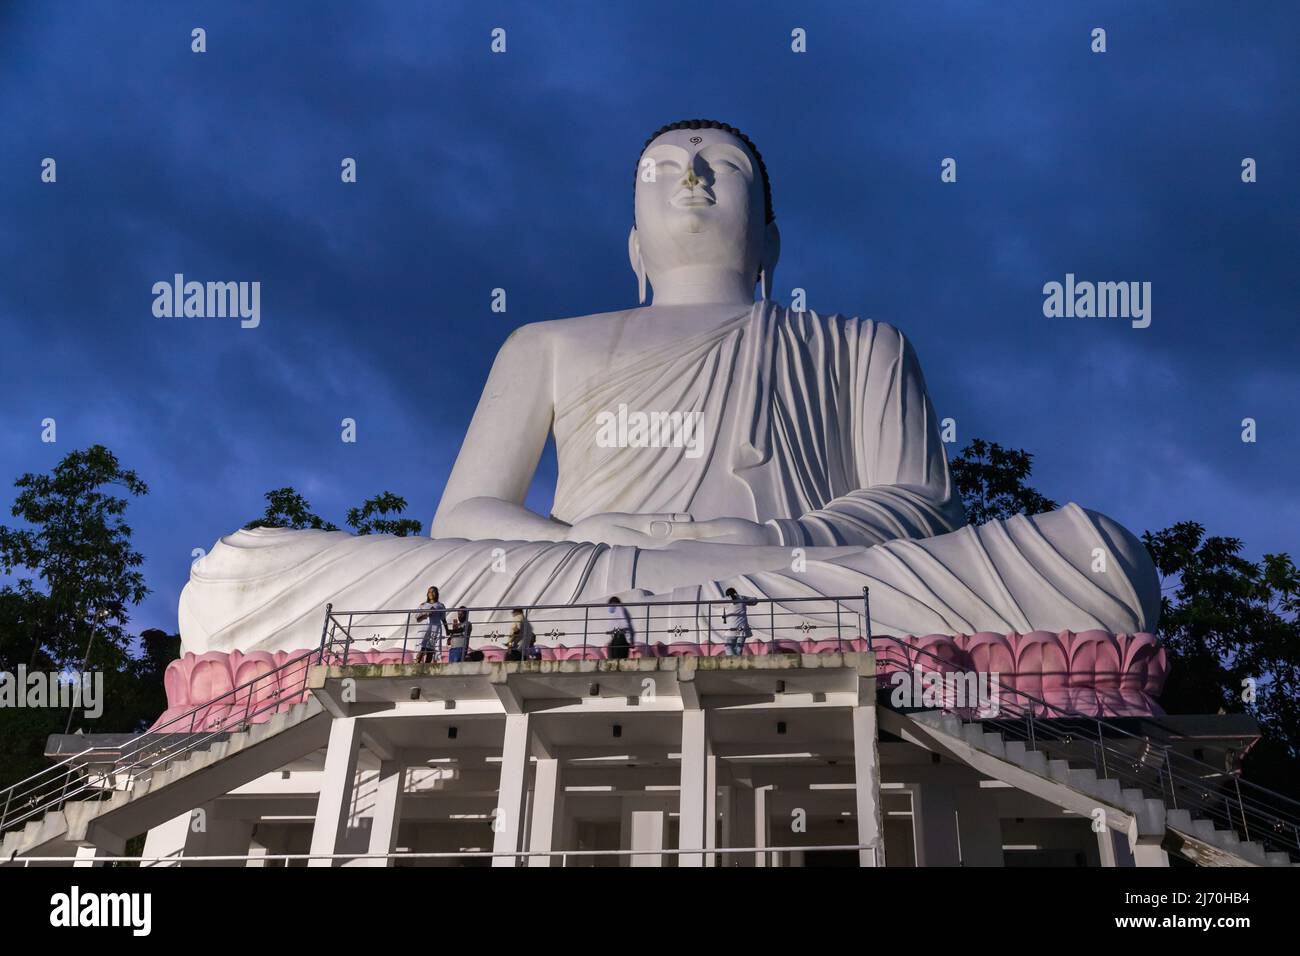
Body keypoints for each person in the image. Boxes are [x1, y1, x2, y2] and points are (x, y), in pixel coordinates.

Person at [722, 587, 758, 657]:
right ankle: (737, 661)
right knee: (739, 646)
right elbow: (754, 601)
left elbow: (714, 605)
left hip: (732, 629)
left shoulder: (726, 600)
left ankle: (733, 661)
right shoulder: (742, 598)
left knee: (728, 646)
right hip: (741, 628)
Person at [415, 586, 446, 663]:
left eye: (433, 591)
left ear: (437, 593)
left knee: (430, 650)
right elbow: (418, 619)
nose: (431, 593)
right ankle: (416, 665)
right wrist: (426, 614)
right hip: (424, 630)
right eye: (429, 592)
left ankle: (426, 668)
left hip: (434, 630)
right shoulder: (423, 605)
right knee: (421, 648)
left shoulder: (440, 605)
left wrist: (447, 629)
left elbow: (443, 618)